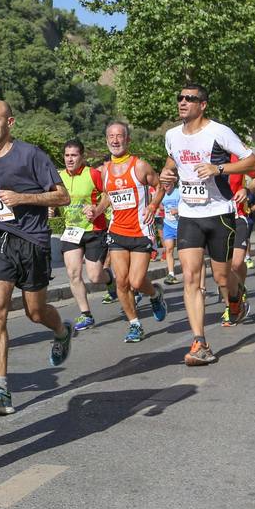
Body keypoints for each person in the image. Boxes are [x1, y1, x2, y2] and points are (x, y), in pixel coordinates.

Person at [0, 100, 73, 414]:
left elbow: (62, 195)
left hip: (32, 242)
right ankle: (1, 388)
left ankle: (61, 331)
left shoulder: (31, 155)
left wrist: (23, 198)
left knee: (35, 312)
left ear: (10, 122)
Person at [160, 84, 255, 366]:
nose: (182, 102)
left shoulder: (219, 131)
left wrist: (219, 169)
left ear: (202, 105)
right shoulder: (171, 135)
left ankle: (237, 298)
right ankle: (200, 342)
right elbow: (173, 161)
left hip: (219, 213)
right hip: (189, 215)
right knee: (191, 277)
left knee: (221, 278)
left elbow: (252, 159)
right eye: (179, 97)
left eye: (189, 99)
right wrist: (167, 175)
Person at [95, 122, 168, 343]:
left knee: (136, 282)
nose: (115, 140)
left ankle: (154, 294)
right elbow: (108, 196)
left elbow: (161, 186)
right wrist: (96, 211)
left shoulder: (140, 166)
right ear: (106, 140)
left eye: (120, 136)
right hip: (117, 231)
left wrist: (153, 206)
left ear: (128, 140)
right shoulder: (104, 170)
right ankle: (135, 324)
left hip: (141, 231)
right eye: (111, 136)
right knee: (121, 282)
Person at [56, 139, 108, 332]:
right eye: (67, 155)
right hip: (71, 231)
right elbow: (54, 197)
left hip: (94, 229)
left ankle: (110, 280)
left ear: (82, 157)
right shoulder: (58, 177)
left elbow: (108, 195)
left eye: (74, 155)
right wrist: (51, 208)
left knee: (95, 276)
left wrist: (97, 209)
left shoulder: (93, 174)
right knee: (73, 273)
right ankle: (86, 314)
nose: (70, 159)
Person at [221, 158, 255, 326]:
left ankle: (240, 288)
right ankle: (229, 306)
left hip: (238, 216)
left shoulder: (236, 157)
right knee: (222, 270)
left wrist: (247, 189)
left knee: (236, 264)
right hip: (215, 219)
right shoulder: (201, 153)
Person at [160, 185, 181, 284]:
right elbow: (160, 206)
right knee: (169, 249)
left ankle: (189, 272)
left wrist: (177, 210)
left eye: (168, 184)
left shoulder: (179, 192)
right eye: (164, 184)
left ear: (173, 182)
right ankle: (171, 274)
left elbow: (187, 206)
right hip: (168, 225)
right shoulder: (162, 193)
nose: (165, 186)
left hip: (181, 225)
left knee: (182, 251)